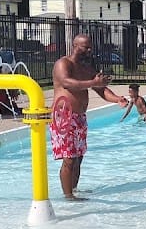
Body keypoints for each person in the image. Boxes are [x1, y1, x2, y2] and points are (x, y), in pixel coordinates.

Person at [50, 34, 128, 199]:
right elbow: (67, 83)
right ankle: (68, 196)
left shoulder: (85, 68)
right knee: (69, 159)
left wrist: (117, 99)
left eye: (90, 47)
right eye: (86, 47)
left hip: (79, 117)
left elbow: (101, 89)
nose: (89, 50)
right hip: (64, 117)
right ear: (75, 46)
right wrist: (93, 83)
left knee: (78, 157)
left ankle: (74, 190)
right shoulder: (63, 63)